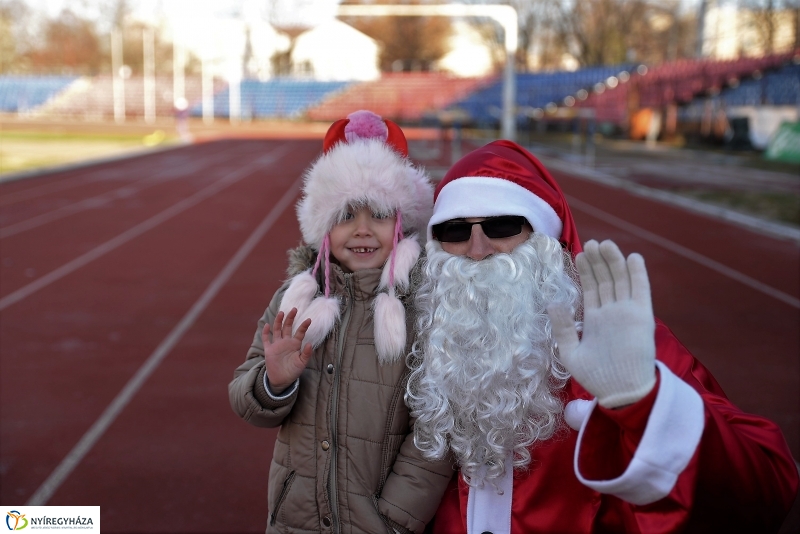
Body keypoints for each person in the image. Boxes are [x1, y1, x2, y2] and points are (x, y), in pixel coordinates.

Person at [405, 140, 799, 533]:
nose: (477, 249)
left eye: (501, 225)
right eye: (455, 230)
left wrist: (641, 402)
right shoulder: (421, 346)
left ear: (545, 243)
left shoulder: (621, 346)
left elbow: (764, 493)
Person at [228, 110, 454, 534]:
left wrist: (394, 519)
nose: (363, 231)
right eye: (346, 215)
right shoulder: (296, 299)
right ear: (322, 226)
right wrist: (274, 383)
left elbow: (436, 432)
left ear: (403, 223)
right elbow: (247, 401)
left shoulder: (423, 307)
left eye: (381, 215)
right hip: (298, 522)